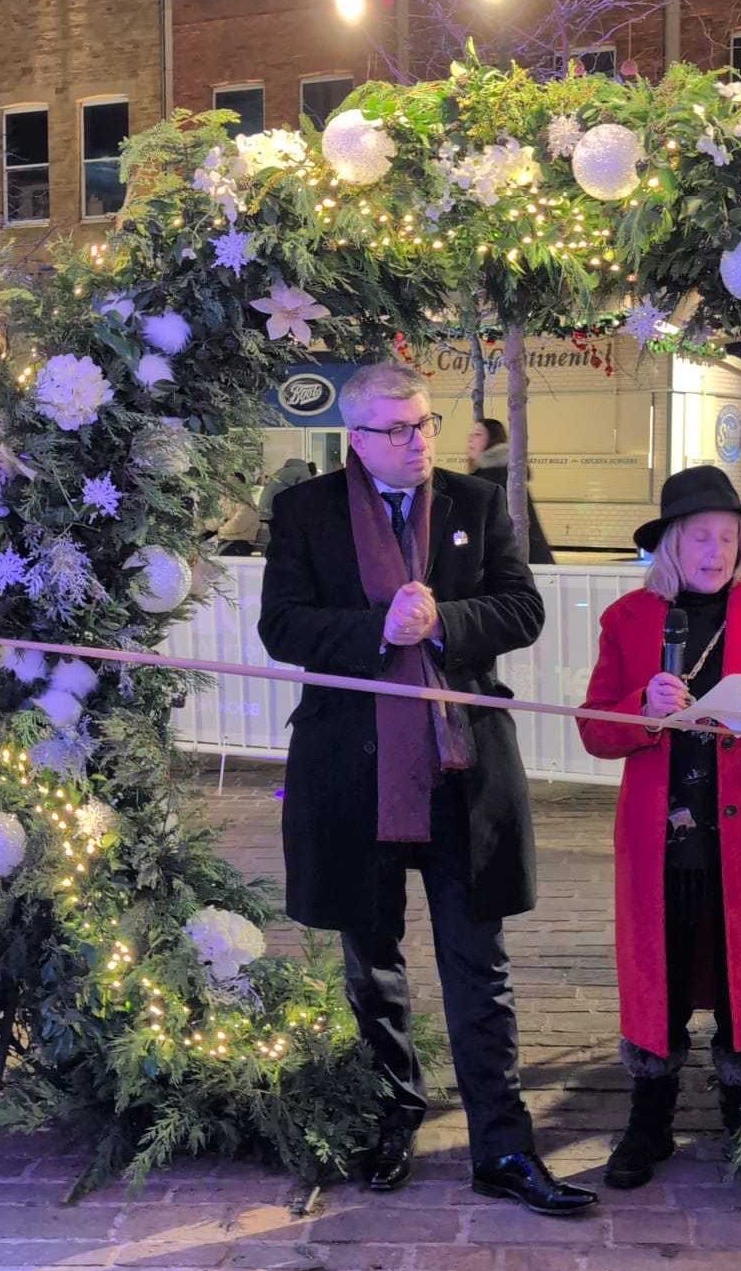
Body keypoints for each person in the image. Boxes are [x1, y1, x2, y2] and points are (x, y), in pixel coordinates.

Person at [258, 362, 597, 1216]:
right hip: (354, 771)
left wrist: (445, 618)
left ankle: (503, 1147)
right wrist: (378, 627)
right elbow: (282, 625)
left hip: (460, 769)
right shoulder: (305, 511)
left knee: (478, 965)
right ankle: (392, 1116)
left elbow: (521, 608)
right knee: (371, 962)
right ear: (356, 438)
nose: (419, 441)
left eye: (426, 423)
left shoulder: (475, 503)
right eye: (399, 429)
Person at [577, 465, 741, 1193]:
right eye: (701, 536)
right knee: (658, 974)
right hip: (662, 837)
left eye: (729, 537)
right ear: (671, 542)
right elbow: (595, 729)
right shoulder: (629, 618)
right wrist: (642, 707)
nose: (717, 550)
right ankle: (649, 1120)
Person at [467, 418, 555, 565]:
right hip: (531, 561)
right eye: (470, 434)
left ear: (492, 439)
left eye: (478, 434)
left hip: (516, 565)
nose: (470, 439)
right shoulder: (508, 474)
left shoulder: (493, 478)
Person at [214, 472, 261, 556]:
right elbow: (215, 521)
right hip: (226, 542)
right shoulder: (227, 501)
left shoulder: (247, 504)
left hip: (240, 544)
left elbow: (236, 525)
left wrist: (220, 529)